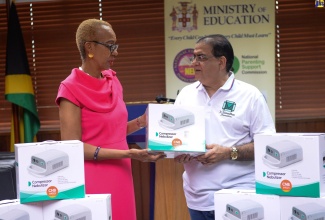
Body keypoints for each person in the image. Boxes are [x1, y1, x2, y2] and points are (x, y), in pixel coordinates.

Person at [55, 19, 165, 220]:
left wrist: (142, 121)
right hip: (93, 176)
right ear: (89, 47)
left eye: (116, 46)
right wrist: (128, 153)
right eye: (110, 46)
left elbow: (112, 132)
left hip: (121, 172)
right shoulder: (70, 88)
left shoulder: (112, 80)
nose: (116, 52)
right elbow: (73, 147)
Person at [174, 34, 276, 220]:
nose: (194, 62)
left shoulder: (250, 95)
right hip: (196, 198)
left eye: (201, 57)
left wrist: (228, 153)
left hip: (239, 195)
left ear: (221, 62)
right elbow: (177, 139)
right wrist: (178, 152)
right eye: (194, 57)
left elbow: (267, 145)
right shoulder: (185, 95)